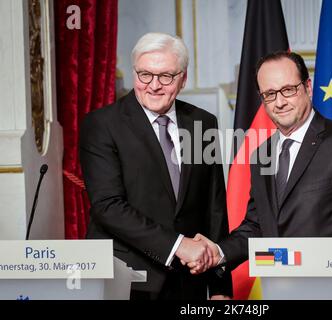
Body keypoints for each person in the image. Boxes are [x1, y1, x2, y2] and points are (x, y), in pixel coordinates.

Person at [189, 51, 332, 273]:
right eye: (269, 93)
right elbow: (257, 225)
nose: (279, 102)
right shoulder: (260, 155)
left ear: (307, 87)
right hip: (280, 286)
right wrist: (219, 252)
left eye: (288, 90)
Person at [79, 33, 232, 300]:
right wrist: (177, 245)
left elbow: (214, 208)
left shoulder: (203, 123)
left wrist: (220, 286)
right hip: (127, 280)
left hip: (189, 281)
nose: (154, 85)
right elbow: (108, 206)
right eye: (144, 75)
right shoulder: (101, 125)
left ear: (183, 79)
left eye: (166, 76)